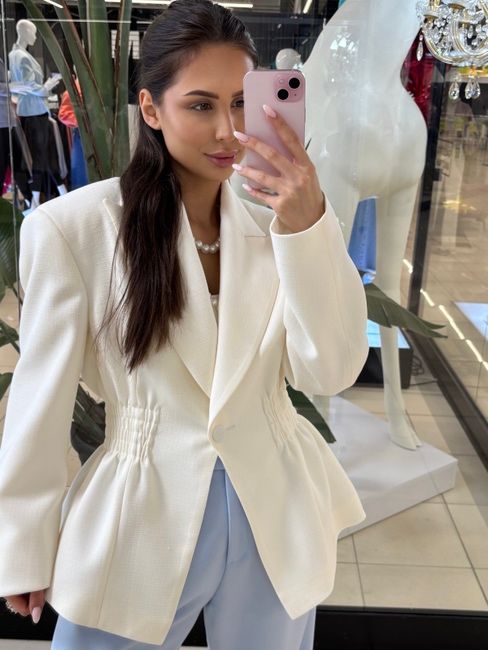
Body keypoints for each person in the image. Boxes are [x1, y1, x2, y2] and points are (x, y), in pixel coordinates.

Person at [0, 1, 369, 648]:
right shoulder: (74, 228)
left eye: (242, 103)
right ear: (151, 108)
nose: (228, 129)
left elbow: (330, 372)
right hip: (140, 510)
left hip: (273, 509)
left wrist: (308, 228)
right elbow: (41, 398)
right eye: (201, 105)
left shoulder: (281, 229)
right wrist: (24, 543)